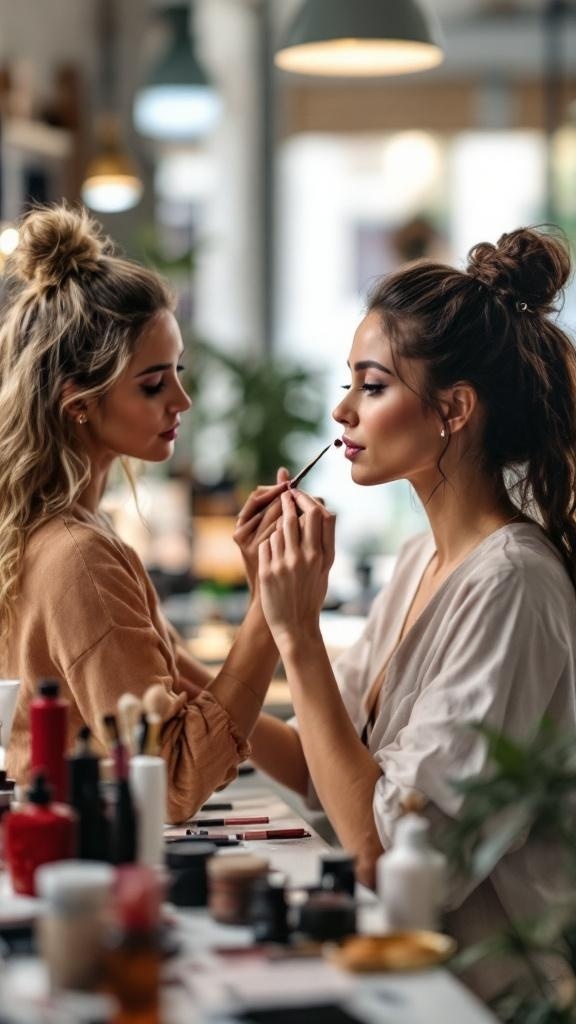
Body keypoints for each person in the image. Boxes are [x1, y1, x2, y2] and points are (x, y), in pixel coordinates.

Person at [249, 226, 576, 998]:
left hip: (486, 995)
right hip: (410, 972)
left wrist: (297, 634)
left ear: (454, 409)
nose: (341, 410)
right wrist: (172, 665)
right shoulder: (418, 561)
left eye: (371, 387)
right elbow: (318, 764)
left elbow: (385, 855)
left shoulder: (511, 585)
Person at [0, 202, 286, 823]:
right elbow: (174, 780)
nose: (182, 400)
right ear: (79, 401)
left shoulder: (59, 533)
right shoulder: (80, 557)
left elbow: (187, 692)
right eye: (153, 384)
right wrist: (270, 610)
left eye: (177, 372)